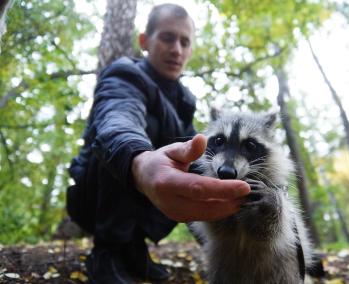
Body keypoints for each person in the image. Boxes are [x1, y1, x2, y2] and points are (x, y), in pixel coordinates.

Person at [66, 3, 250, 284]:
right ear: (144, 41)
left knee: (199, 155)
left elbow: (199, 169)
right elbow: (117, 118)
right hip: (93, 197)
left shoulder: (185, 102)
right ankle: (108, 251)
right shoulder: (124, 74)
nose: (177, 49)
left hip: (151, 199)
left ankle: (133, 248)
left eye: (185, 42)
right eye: (167, 37)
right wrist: (139, 159)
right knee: (131, 140)